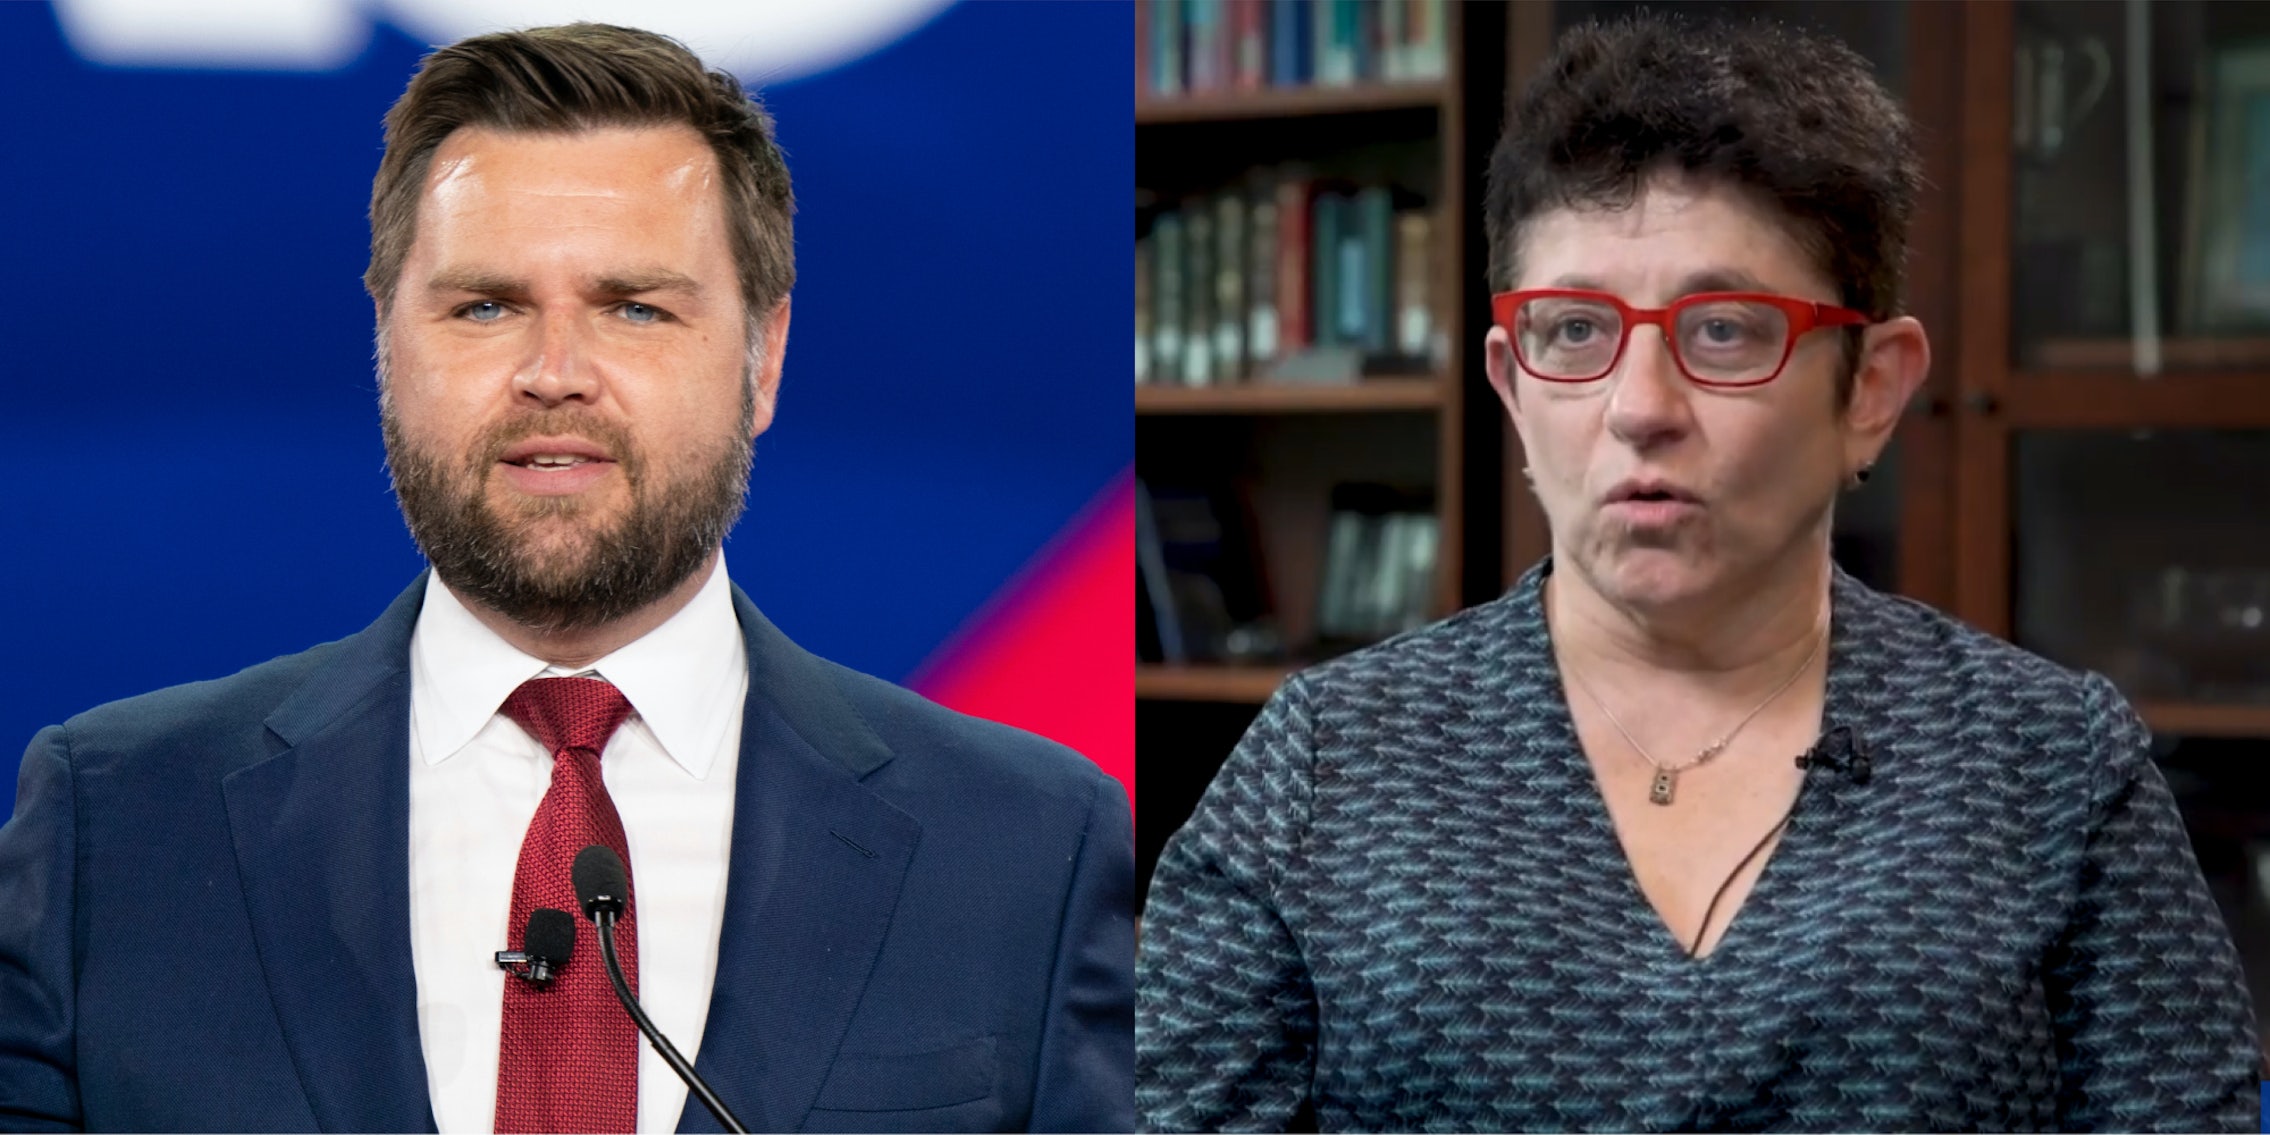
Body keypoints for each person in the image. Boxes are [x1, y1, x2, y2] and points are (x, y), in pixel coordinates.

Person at [0, 23, 1132, 1134]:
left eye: (634, 307)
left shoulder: (1028, 847)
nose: (554, 375)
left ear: (765, 357)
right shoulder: (112, 824)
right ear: (387, 349)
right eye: (484, 306)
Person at [1135, 12, 2257, 1132]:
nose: (1637, 410)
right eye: (1572, 331)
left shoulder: (2051, 767)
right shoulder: (1321, 768)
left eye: (1723, 330)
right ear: (1511, 386)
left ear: (1870, 386)